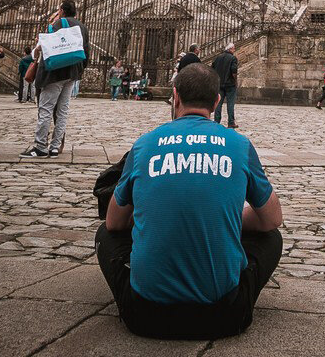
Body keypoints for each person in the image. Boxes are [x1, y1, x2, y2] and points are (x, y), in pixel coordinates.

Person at [95, 63, 283, 340]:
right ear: (217, 101)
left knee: (105, 234)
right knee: (271, 238)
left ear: (175, 97)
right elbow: (272, 219)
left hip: (145, 317)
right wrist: (231, 219)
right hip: (224, 317)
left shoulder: (145, 144)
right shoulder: (239, 145)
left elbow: (113, 222)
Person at [22, 0, 90, 158]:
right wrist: (79, 70)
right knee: (62, 111)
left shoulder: (57, 24)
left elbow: (48, 49)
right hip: (72, 73)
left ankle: (40, 146)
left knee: (45, 109)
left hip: (55, 73)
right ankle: (55, 147)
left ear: (61, 10)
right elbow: (86, 51)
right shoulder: (82, 27)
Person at [212, 43, 238, 128]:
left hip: (219, 83)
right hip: (230, 84)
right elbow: (234, 71)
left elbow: (212, 69)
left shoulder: (218, 57)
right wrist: (235, 80)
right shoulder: (233, 58)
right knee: (230, 104)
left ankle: (216, 121)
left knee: (218, 103)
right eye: (233, 49)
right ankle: (231, 122)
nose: (234, 50)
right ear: (230, 49)